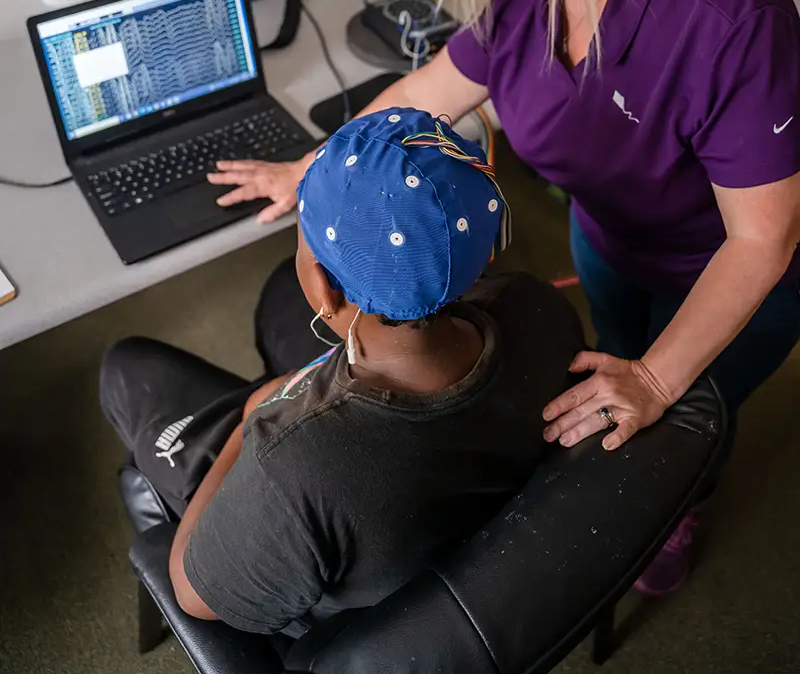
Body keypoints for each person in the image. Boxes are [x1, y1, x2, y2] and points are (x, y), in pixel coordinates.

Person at [209, 0, 800, 598]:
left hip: (736, 276)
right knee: (609, 365)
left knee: (682, 422)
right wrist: (313, 171)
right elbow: (421, 96)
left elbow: (763, 236)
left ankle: (683, 503)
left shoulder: (731, 11)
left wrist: (662, 380)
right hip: (610, 245)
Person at [101, 108, 583, 639]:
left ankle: (160, 491)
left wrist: (249, 423)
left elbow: (192, 593)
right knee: (277, 303)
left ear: (327, 290)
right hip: (438, 536)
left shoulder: (294, 468)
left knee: (127, 365)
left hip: (318, 553)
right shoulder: (537, 308)